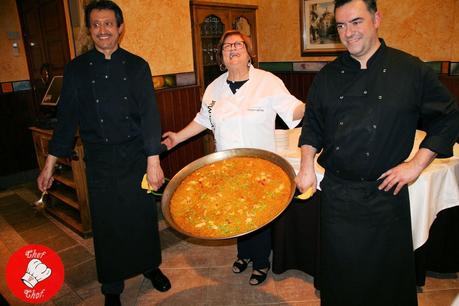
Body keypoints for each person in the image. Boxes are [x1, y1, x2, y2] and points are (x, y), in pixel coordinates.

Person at [295, 0, 459, 305]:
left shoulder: (411, 70)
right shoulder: (328, 76)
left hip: (386, 196)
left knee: (386, 285)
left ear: (377, 19)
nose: (348, 32)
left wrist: (415, 164)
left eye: (356, 22)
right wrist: (306, 165)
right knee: (341, 279)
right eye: (341, 26)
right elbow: (313, 126)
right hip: (338, 197)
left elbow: (449, 118)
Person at [36, 1, 171, 305]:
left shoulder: (137, 66)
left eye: (108, 24)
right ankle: (112, 287)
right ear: (90, 30)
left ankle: (151, 268)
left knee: (141, 218)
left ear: (120, 28)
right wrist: (49, 164)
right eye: (96, 25)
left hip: (136, 156)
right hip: (99, 161)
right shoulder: (77, 69)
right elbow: (67, 120)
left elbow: (150, 115)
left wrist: (154, 160)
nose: (102, 30)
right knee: (108, 225)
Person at [162, 30, 305, 286]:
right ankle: (244, 254)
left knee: (256, 213)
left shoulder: (268, 81)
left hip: (262, 166)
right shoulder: (213, 88)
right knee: (235, 210)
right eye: (227, 46)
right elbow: (202, 120)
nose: (233, 48)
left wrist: (314, 104)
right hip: (226, 164)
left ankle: (261, 262)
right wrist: (177, 137)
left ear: (249, 53)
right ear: (221, 57)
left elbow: (292, 109)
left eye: (239, 44)